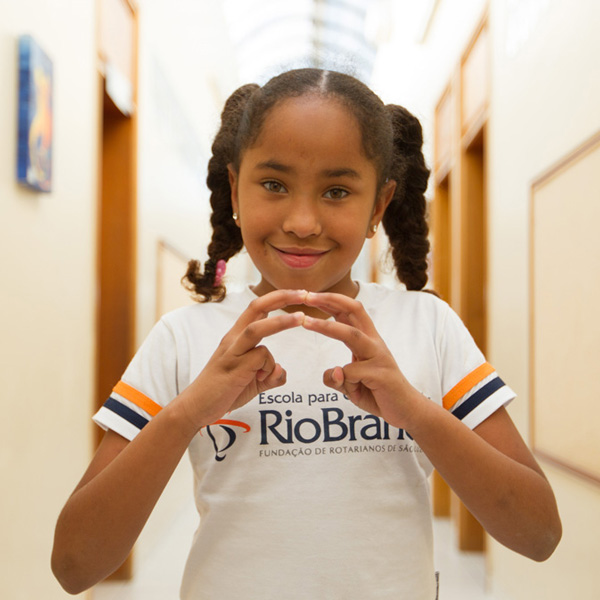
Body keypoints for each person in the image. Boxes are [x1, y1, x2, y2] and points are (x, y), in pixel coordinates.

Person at [51, 68, 561, 599]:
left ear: (379, 205)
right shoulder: (182, 338)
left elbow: (539, 533)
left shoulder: (427, 327)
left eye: (337, 190)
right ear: (234, 188)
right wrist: (187, 412)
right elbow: (75, 565)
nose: (301, 221)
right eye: (273, 184)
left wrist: (413, 410)